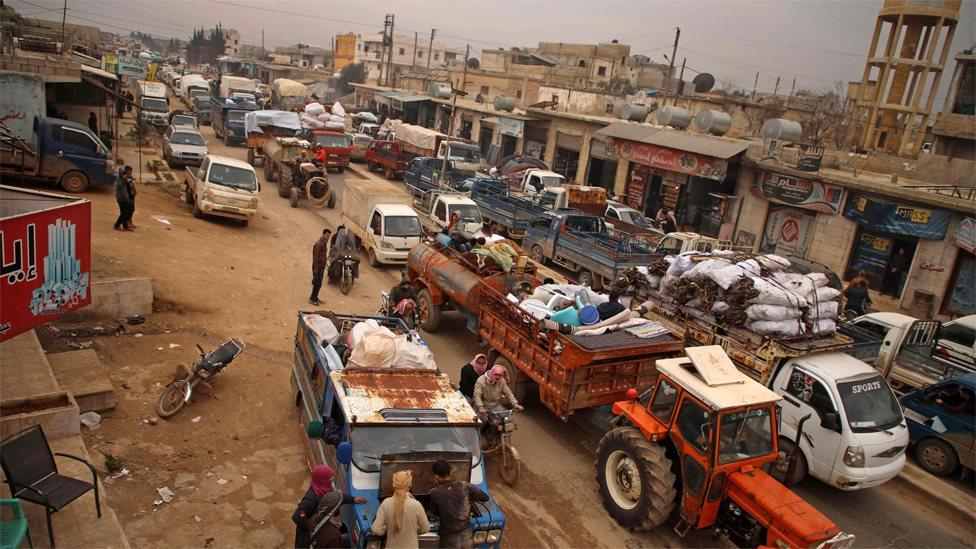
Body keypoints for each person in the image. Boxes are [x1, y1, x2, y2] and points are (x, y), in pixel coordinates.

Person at [293, 465, 366, 548]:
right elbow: (297, 516)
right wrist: (317, 525)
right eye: (329, 477)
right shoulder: (310, 499)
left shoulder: (324, 488)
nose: (332, 478)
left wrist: (353, 499)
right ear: (322, 479)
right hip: (308, 536)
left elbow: (335, 498)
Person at [427, 459, 489, 549]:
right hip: (467, 536)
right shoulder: (464, 486)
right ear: (450, 473)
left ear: (436, 477)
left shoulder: (435, 493)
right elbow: (485, 497)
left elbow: (431, 512)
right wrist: (467, 497)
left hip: (449, 539)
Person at [371, 470, 430, 549]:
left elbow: (375, 529)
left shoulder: (386, 503)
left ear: (393, 485)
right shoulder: (416, 504)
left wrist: (387, 528)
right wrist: (413, 529)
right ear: (409, 485)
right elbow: (425, 529)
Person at [309, 228, 332, 305]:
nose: (328, 237)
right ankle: (312, 299)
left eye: (329, 236)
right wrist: (315, 270)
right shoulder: (319, 244)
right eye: (327, 235)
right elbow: (315, 258)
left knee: (319, 283)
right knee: (317, 283)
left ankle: (315, 297)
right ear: (323, 234)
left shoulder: (324, 243)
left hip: (321, 267)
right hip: (318, 267)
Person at [114, 166, 134, 231]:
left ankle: (125, 227)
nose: (126, 176)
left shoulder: (124, 180)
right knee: (123, 213)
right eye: (124, 175)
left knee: (125, 213)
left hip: (125, 199)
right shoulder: (119, 181)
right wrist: (123, 178)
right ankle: (116, 226)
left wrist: (128, 178)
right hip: (121, 200)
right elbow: (119, 185)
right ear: (122, 175)